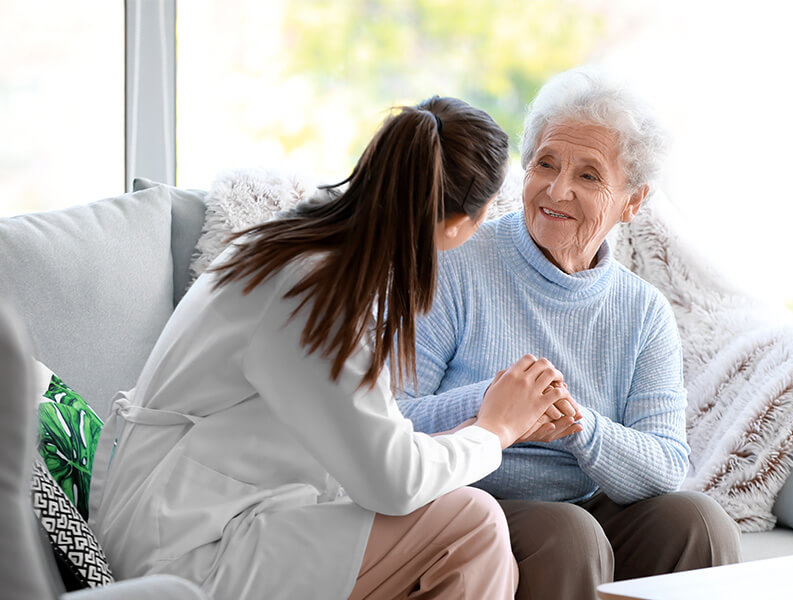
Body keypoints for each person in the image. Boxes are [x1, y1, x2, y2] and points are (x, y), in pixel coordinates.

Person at [88, 96, 573, 600]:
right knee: (472, 525)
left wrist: (480, 427)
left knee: (480, 543)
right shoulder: (313, 289)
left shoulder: (305, 245)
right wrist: (495, 430)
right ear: (457, 223)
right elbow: (393, 481)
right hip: (188, 547)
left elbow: (369, 442)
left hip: (210, 515)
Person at [398, 68, 743, 598]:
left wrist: (578, 423)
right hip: (467, 504)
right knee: (569, 535)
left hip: (584, 506)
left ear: (632, 200)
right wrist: (500, 404)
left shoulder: (643, 310)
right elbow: (392, 417)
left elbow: (666, 464)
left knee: (699, 521)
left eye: (588, 176)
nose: (557, 190)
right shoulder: (457, 260)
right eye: (546, 164)